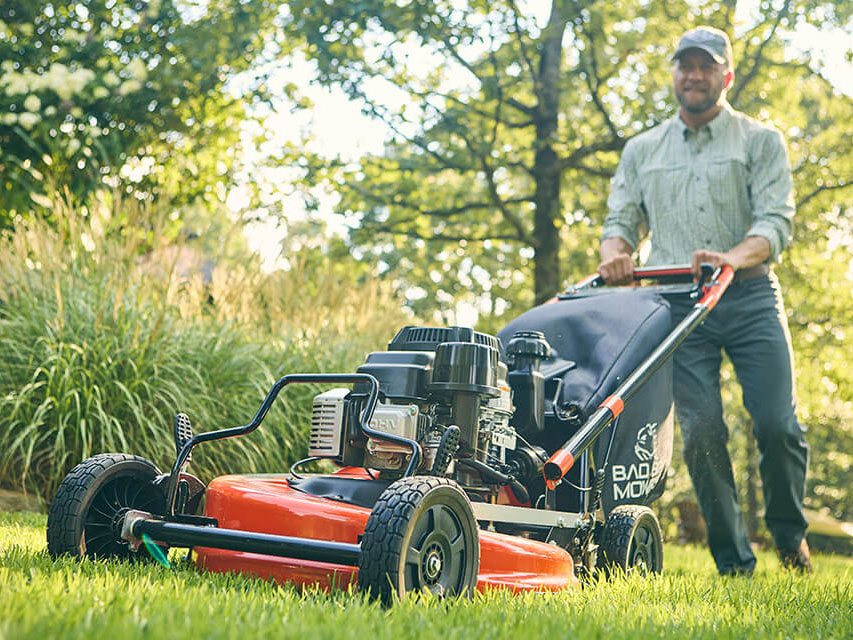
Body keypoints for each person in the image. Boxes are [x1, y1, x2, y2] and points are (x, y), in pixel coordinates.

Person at [597, 26, 811, 575]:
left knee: (776, 424)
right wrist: (616, 255)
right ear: (674, 74)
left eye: (706, 66)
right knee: (702, 433)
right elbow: (620, 221)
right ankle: (734, 563)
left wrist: (733, 257)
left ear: (726, 75)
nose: (693, 75)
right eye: (684, 65)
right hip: (678, 308)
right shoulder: (643, 149)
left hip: (748, 297)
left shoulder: (760, 140)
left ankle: (790, 536)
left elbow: (776, 222)